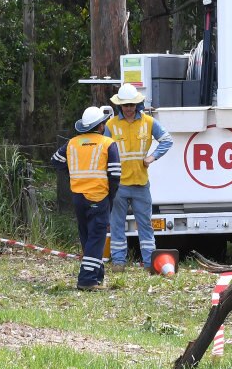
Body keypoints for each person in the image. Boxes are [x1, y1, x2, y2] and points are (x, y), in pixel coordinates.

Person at [52, 105, 121, 290]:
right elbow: (115, 175)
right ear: (100, 126)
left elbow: (55, 160)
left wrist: (72, 173)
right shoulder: (108, 143)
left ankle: (97, 275)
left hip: (78, 197)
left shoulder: (72, 143)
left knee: (87, 237)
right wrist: (110, 197)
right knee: (96, 238)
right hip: (99, 196)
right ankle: (87, 280)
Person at [105, 83, 173, 270]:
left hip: (141, 184)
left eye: (131, 105)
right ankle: (118, 263)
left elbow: (167, 140)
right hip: (118, 185)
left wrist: (152, 157)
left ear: (137, 104)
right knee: (117, 225)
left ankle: (150, 263)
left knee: (146, 226)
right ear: (120, 105)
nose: (128, 109)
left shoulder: (148, 122)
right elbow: (104, 151)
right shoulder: (111, 125)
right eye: (125, 105)